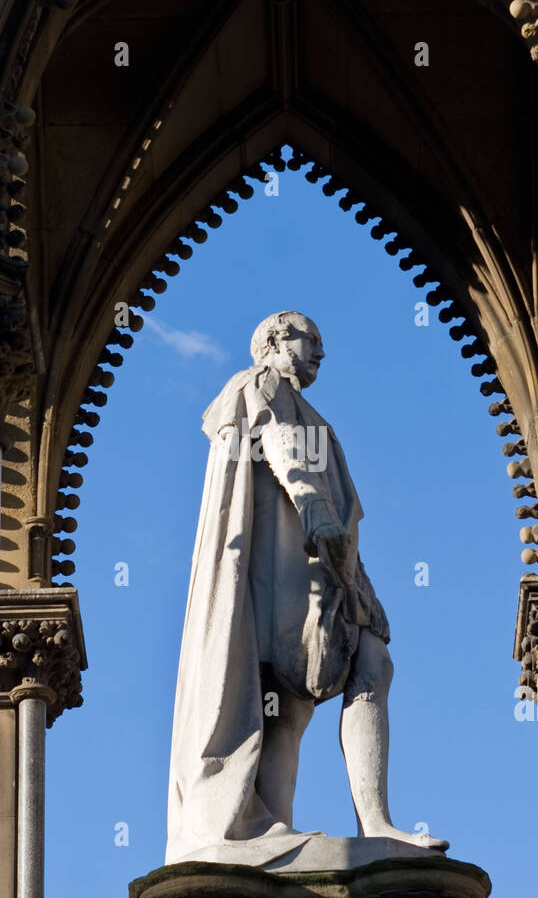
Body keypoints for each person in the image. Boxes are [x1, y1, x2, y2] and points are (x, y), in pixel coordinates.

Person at [165, 310, 447, 863]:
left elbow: (340, 504)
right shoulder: (258, 383)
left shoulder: (313, 412)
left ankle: (374, 824)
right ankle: (277, 830)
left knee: (364, 664)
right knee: (285, 705)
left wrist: (359, 584)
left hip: (320, 568)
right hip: (278, 570)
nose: (320, 352)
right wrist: (314, 507)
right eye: (311, 340)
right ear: (275, 340)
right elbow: (280, 444)